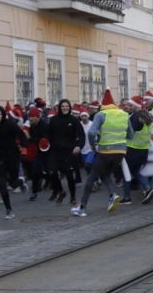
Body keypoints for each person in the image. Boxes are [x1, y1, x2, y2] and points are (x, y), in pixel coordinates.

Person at [71, 89, 134, 218]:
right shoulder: (124, 114)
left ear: (103, 105)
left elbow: (91, 132)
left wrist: (93, 145)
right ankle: (113, 195)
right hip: (121, 152)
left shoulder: (101, 114)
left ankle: (82, 207)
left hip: (105, 151)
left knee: (91, 177)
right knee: (105, 174)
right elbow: (131, 135)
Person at [46, 99, 85, 206]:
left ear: (69, 108)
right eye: (63, 106)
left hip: (69, 152)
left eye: (67, 106)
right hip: (55, 151)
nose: (65, 108)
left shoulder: (74, 120)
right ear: (59, 108)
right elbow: (48, 135)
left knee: (69, 176)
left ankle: (72, 197)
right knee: (52, 173)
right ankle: (61, 191)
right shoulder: (54, 120)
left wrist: (78, 146)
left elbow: (81, 136)